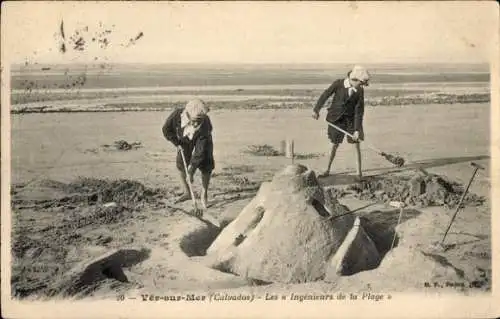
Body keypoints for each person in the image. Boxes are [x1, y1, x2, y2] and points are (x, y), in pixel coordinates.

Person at [312, 65, 370, 180]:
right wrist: (316, 110)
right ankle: (327, 170)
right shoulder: (338, 84)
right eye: (361, 83)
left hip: (351, 120)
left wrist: (357, 129)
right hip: (336, 119)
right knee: (334, 144)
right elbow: (325, 95)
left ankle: (359, 173)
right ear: (354, 80)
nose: (362, 86)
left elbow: (359, 110)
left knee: (356, 144)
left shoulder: (359, 90)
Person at [162, 99, 214, 209]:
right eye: (195, 120)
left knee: (206, 163)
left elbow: (200, 151)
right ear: (187, 115)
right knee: (181, 162)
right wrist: (177, 144)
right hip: (184, 139)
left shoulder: (205, 124)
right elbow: (166, 130)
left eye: (200, 121)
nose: (197, 123)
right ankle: (188, 192)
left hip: (203, 139)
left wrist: (191, 171)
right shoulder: (176, 116)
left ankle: (204, 193)